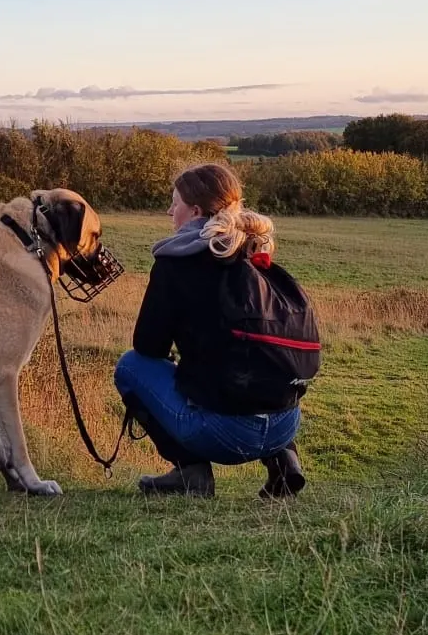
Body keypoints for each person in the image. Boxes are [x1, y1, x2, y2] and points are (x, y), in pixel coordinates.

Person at [114, 162, 310, 499]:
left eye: (174, 203)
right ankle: (284, 460)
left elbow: (148, 346)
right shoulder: (256, 250)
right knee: (259, 362)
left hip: (225, 435)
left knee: (131, 367)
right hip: (285, 424)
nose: (169, 211)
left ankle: (191, 473)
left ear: (194, 211)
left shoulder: (175, 262)